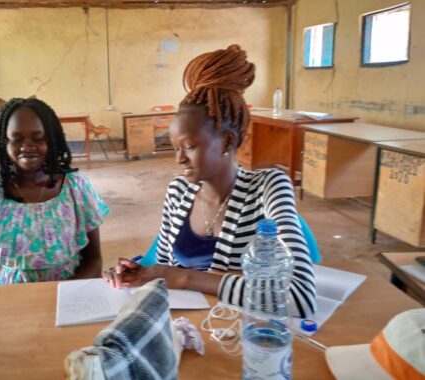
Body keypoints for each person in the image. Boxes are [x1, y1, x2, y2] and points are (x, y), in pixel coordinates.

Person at [105, 45, 316, 318]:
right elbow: (167, 266)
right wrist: (140, 272)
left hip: (242, 332)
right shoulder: (179, 191)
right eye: (174, 148)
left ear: (226, 140)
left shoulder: (269, 188)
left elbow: (299, 298)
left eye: (190, 147)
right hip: (188, 328)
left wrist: (186, 278)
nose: (179, 159)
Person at [0, 98, 109, 286]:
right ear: (4, 143)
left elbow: (93, 260)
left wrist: (68, 296)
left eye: (38, 138)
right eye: (17, 139)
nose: (27, 146)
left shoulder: (75, 188)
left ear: (52, 140)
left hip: (70, 293)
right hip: (7, 298)